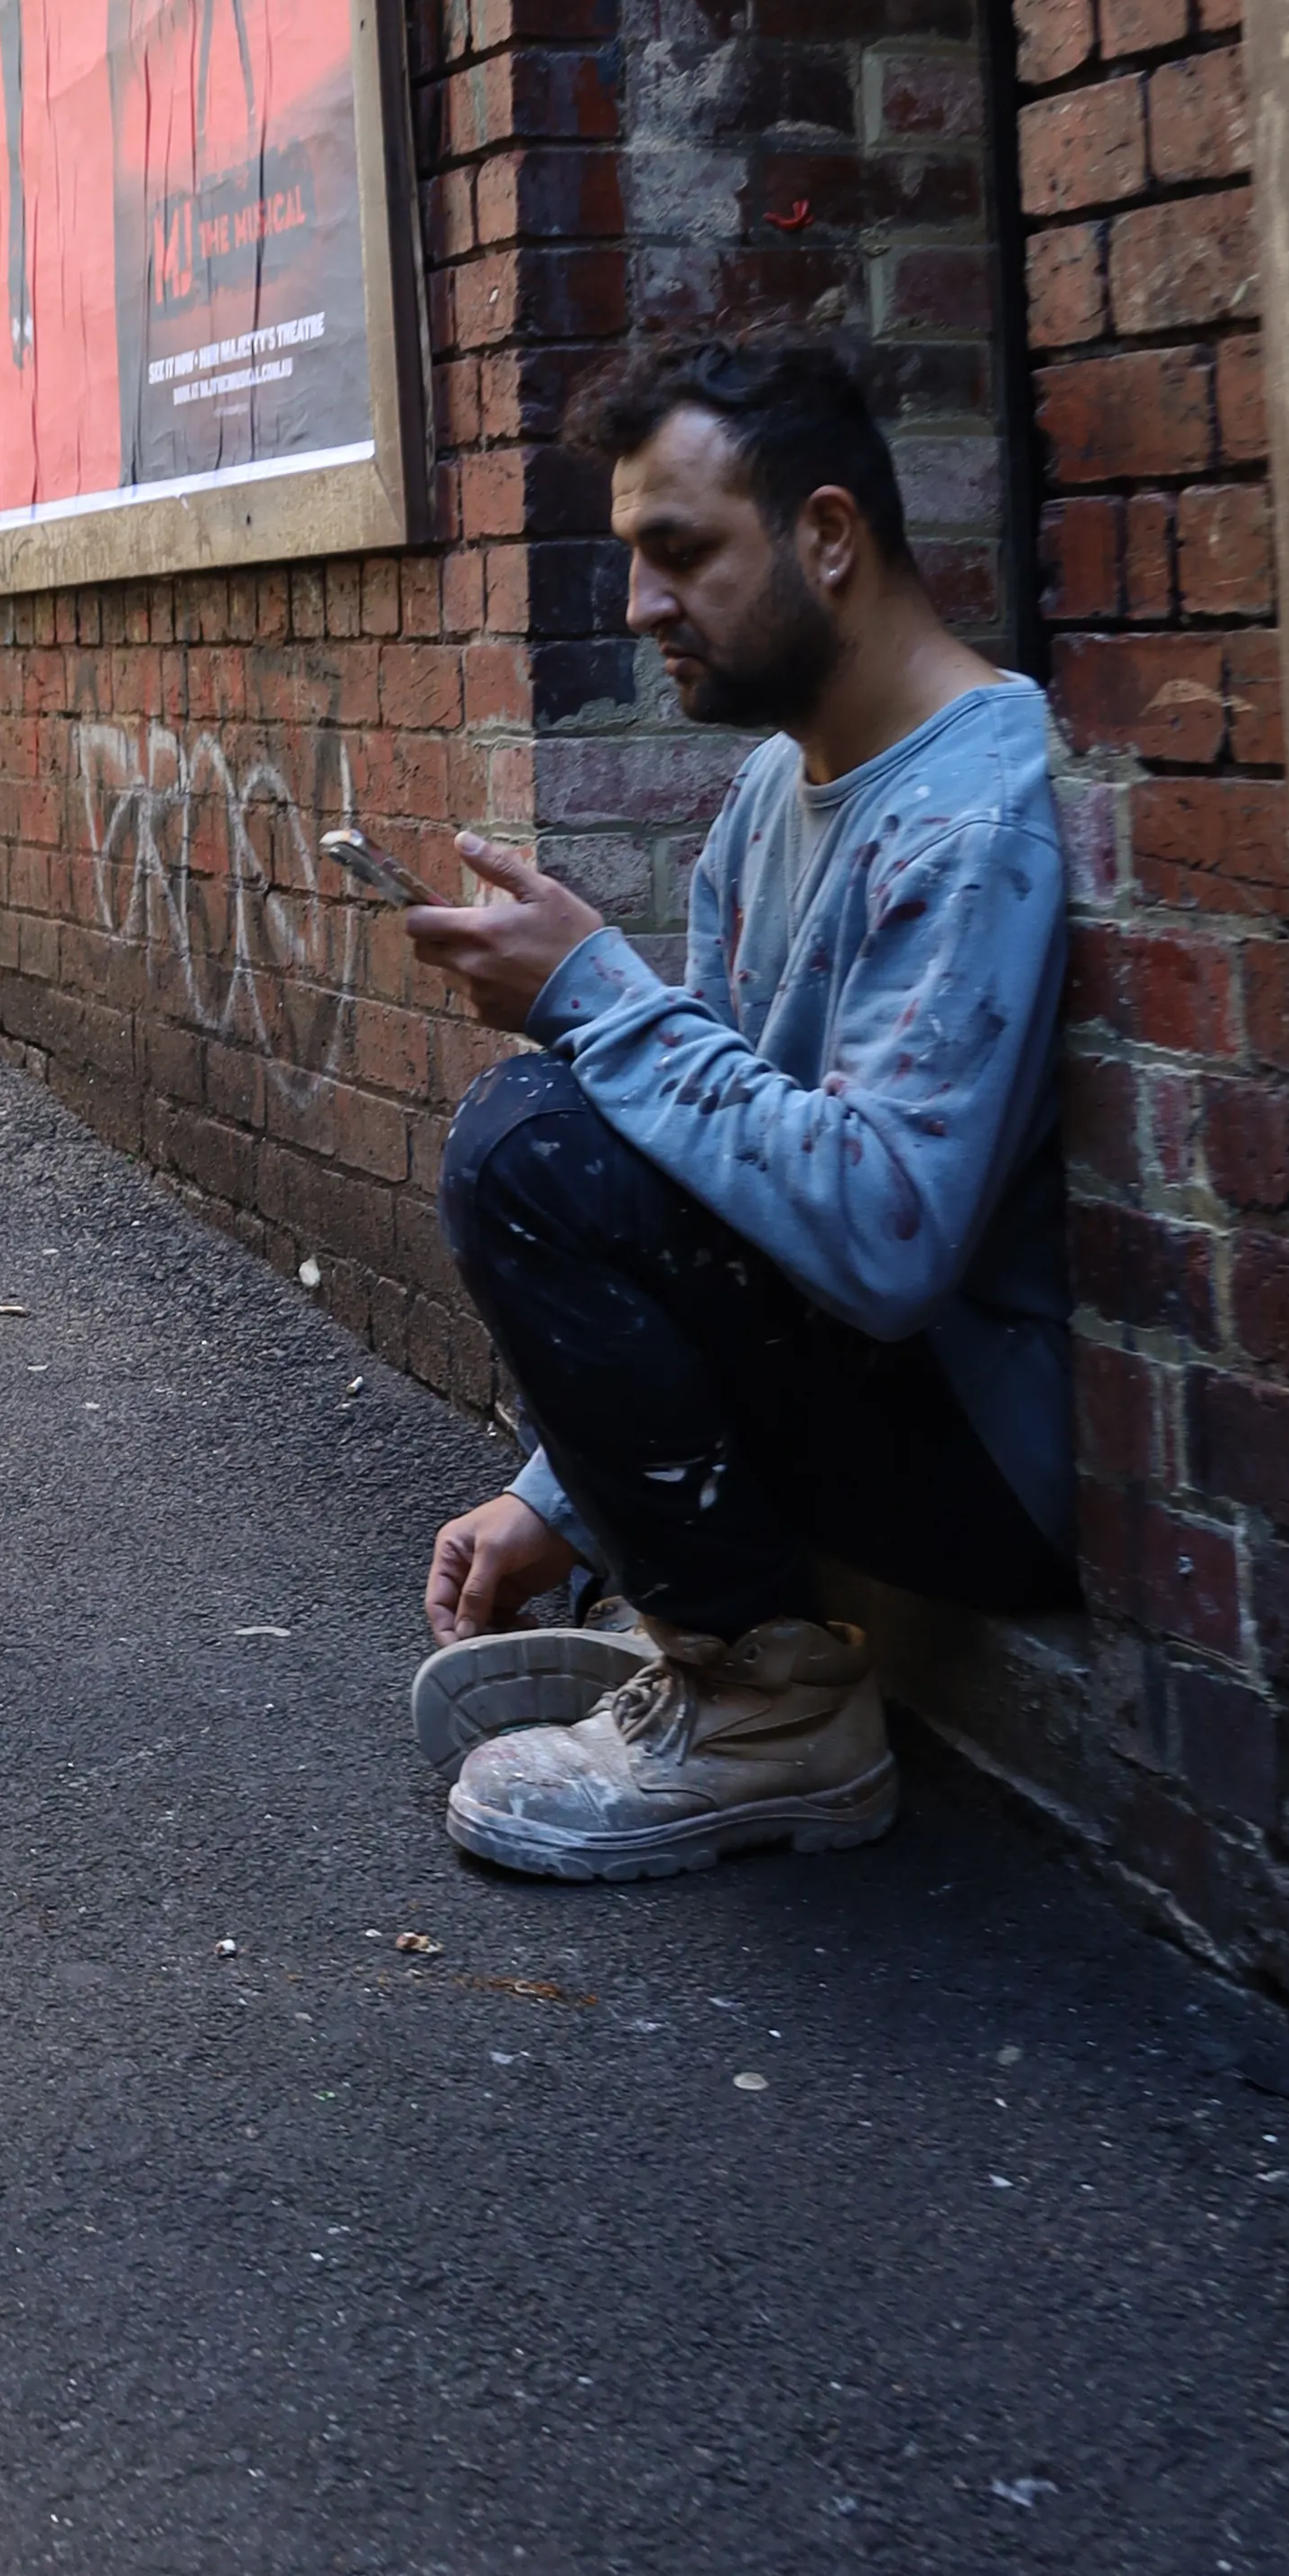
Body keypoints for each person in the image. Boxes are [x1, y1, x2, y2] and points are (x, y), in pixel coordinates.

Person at [400, 330, 1074, 1884]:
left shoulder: (982, 809)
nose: (642, 606)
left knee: (531, 1141)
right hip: (863, 1387)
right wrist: (559, 1499)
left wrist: (595, 995)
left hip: (983, 1457)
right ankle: (703, 1639)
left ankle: (771, 1713)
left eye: (680, 553)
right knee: (565, 1133)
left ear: (828, 537)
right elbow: (706, 1177)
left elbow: (889, 1236)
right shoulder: (777, 793)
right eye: (636, 558)